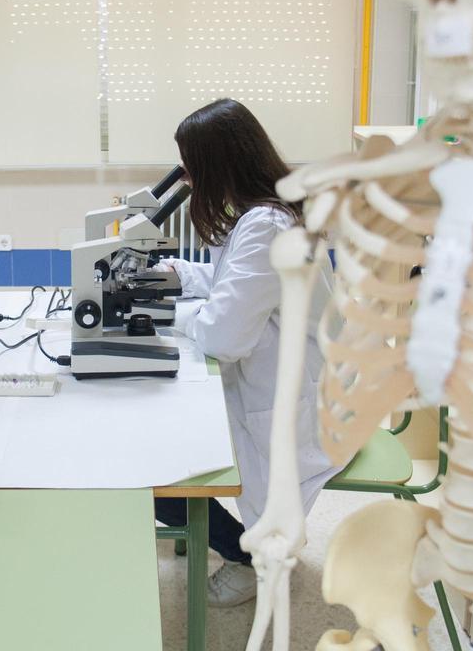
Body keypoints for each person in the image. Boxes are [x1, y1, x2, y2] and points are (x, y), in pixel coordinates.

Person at [155, 99, 338, 607]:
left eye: (192, 167)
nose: (188, 180)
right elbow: (236, 285)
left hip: (285, 405)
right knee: (169, 457)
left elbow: (222, 337)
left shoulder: (265, 225)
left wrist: (163, 313)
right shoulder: (270, 215)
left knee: (167, 465)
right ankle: (217, 537)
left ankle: (244, 559)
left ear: (217, 164)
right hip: (291, 387)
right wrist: (178, 277)